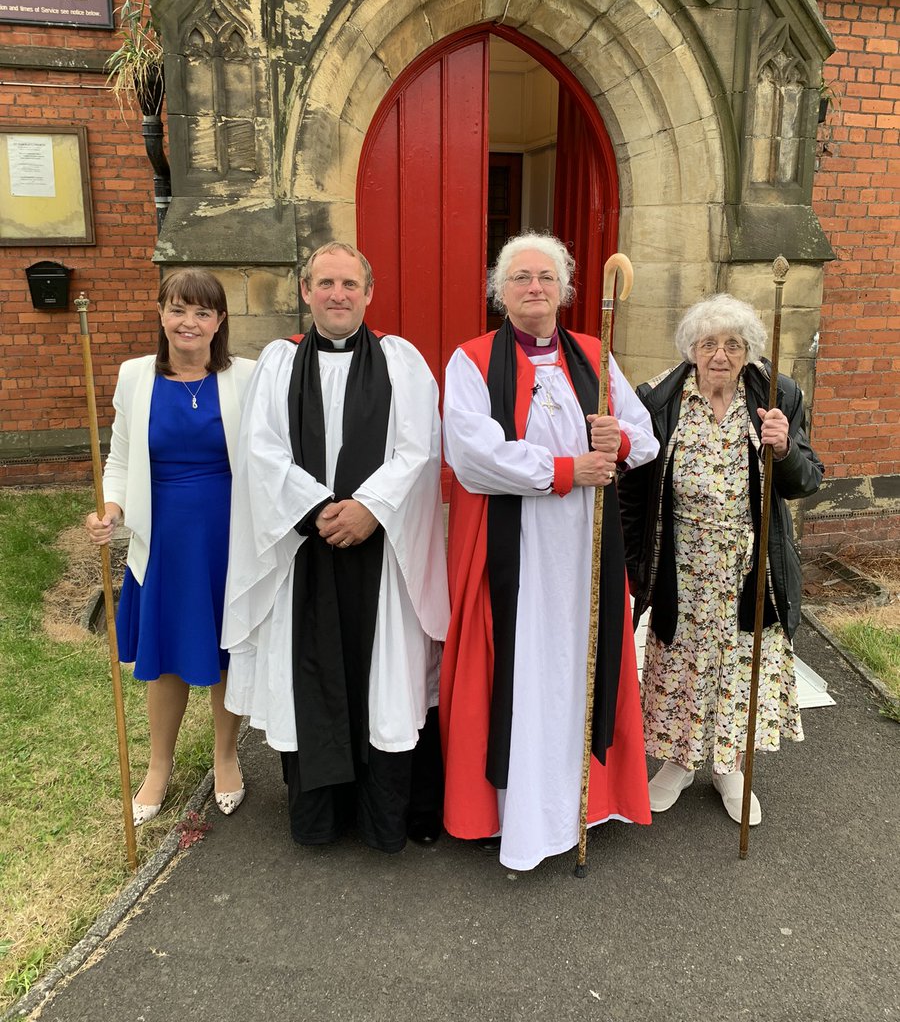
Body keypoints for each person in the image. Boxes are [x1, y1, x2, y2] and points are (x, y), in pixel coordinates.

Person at [439, 233, 659, 871]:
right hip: (516, 551)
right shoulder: (472, 360)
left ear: (565, 290)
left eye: (546, 277)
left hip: (586, 551)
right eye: (519, 278)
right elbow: (473, 455)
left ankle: (581, 804)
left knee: (576, 664)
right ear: (499, 293)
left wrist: (615, 440)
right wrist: (568, 468)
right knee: (522, 666)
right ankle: (517, 812)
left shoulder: (595, 354)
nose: (534, 288)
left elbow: (642, 439)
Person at [222, 242, 449, 853]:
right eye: (325, 283)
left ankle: (384, 818)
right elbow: (260, 450)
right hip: (308, 548)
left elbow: (420, 447)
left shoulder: (403, 363)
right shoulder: (277, 364)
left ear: (369, 294)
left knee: (385, 678)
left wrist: (370, 509)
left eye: (349, 284)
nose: (338, 294)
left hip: (381, 551)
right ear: (305, 292)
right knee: (312, 669)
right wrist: (320, 510)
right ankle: (319, 817)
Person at [617, 294, 824, 826]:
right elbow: (634, 490)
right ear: (691, 349)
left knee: (737, 666)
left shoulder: (777, 396)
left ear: (749, 352)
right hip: (681, 563)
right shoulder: (658, 400)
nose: (720, 355)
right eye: (708, 344)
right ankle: (678, 765)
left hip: (750, 569)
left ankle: (730, 769)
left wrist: (785, 451)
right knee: (681, 664)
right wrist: (628, 559)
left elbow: (807, 480)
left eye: (734, 345)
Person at [86, 269, 255, 824]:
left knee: (226, 649)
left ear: (220, 321)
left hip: (228, 535)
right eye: (179, 309)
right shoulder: (134, 376)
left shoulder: (245, 378)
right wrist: (112, 509)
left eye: (203, 312)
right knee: (166, 660)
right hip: (163, 538)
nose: (190, 322)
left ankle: (225, 755)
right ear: (161, 314)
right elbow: (122, 459)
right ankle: (158, 765)